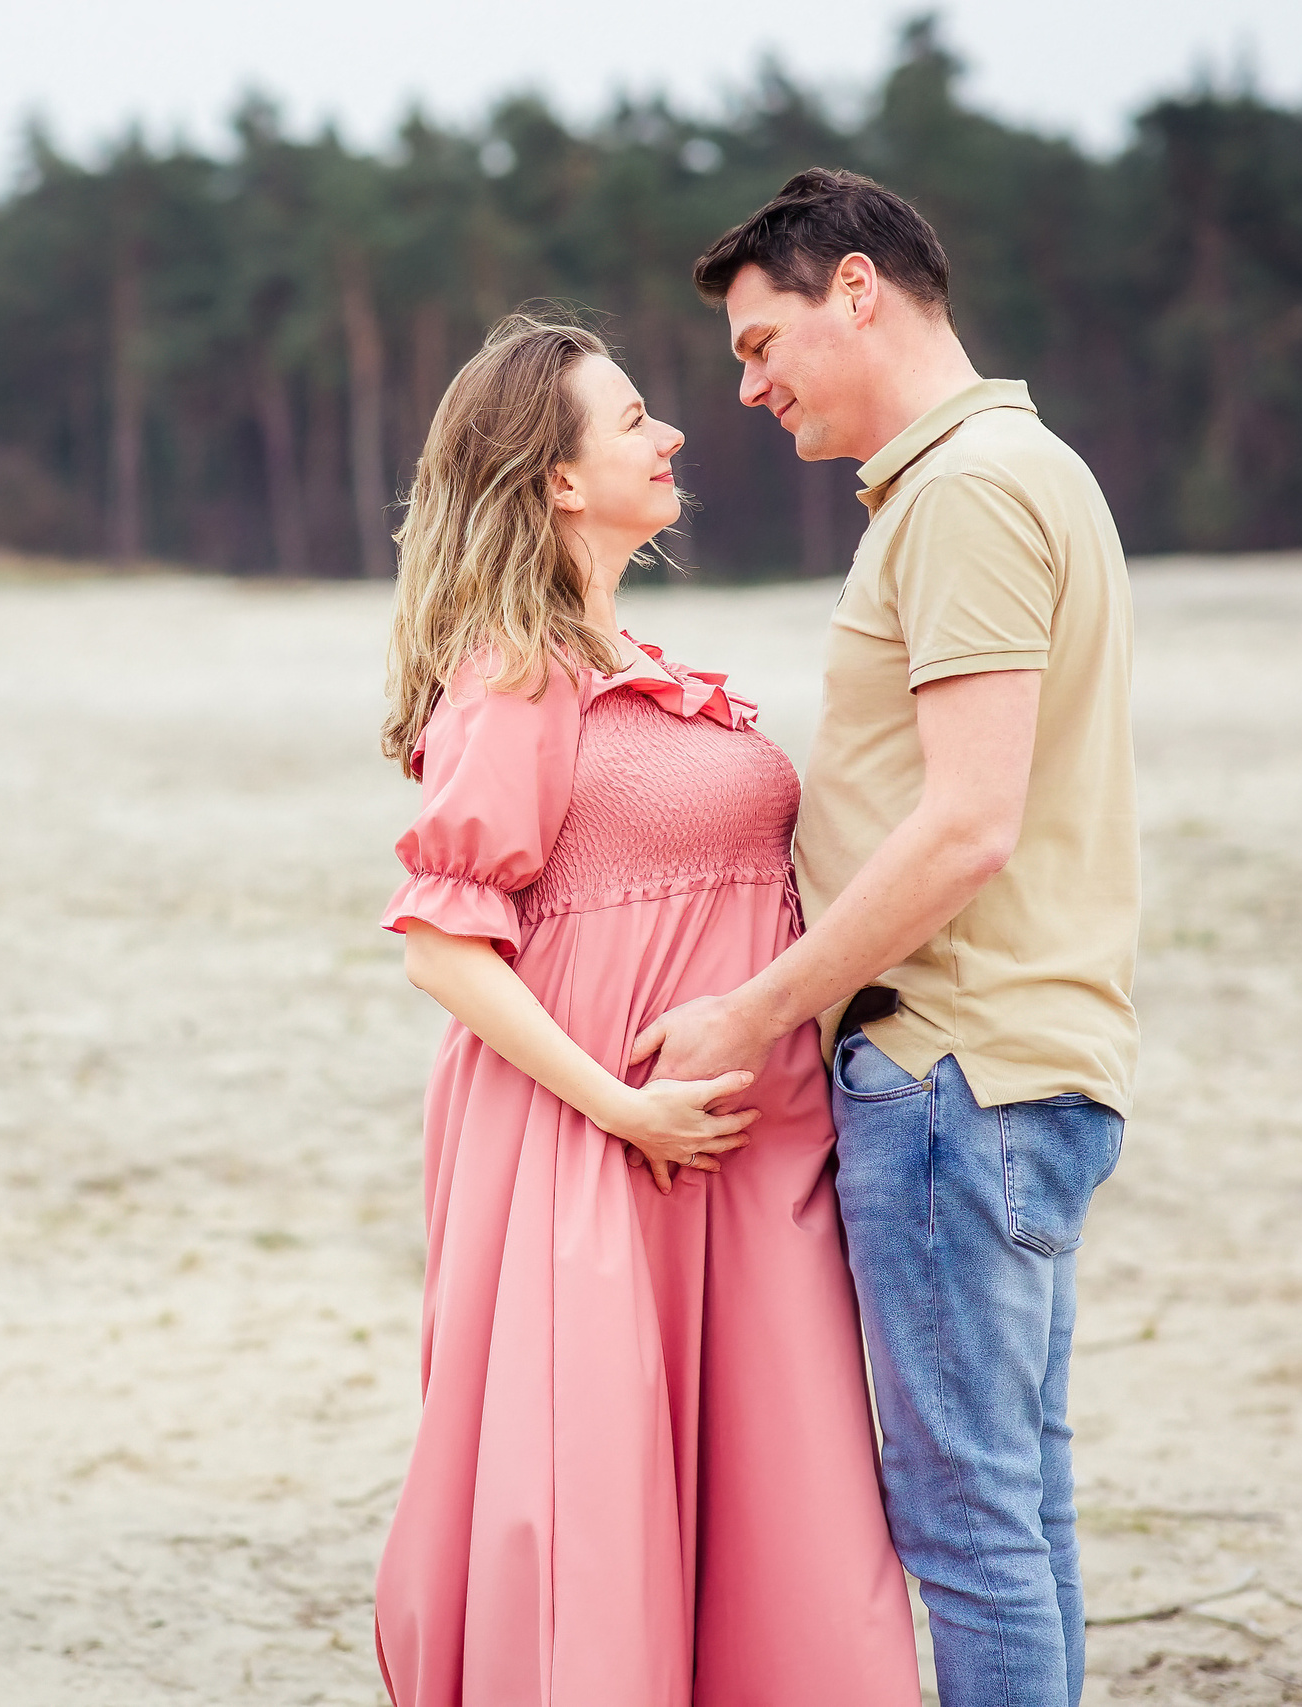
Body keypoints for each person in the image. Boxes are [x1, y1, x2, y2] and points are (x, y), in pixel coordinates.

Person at [634, 168, 1139, 1707]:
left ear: (859, 288)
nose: (749, 384)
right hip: (1015, 1071)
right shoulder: (1007, 467)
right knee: (1014, 1512)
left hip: (951, 1073)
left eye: (760, 338)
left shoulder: (972, 490)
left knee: (966, 1527)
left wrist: (759, 1012)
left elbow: (969, 823)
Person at [370, 312, 921, 1707]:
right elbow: (445, 947)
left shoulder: (639, 663)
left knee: (785, 1503)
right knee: (599, 1516)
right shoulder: (515, 671)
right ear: (556, 479)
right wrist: (625, 1110)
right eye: (631, 420)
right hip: (595, 1151)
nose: (669, 432)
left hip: (748, 1158)